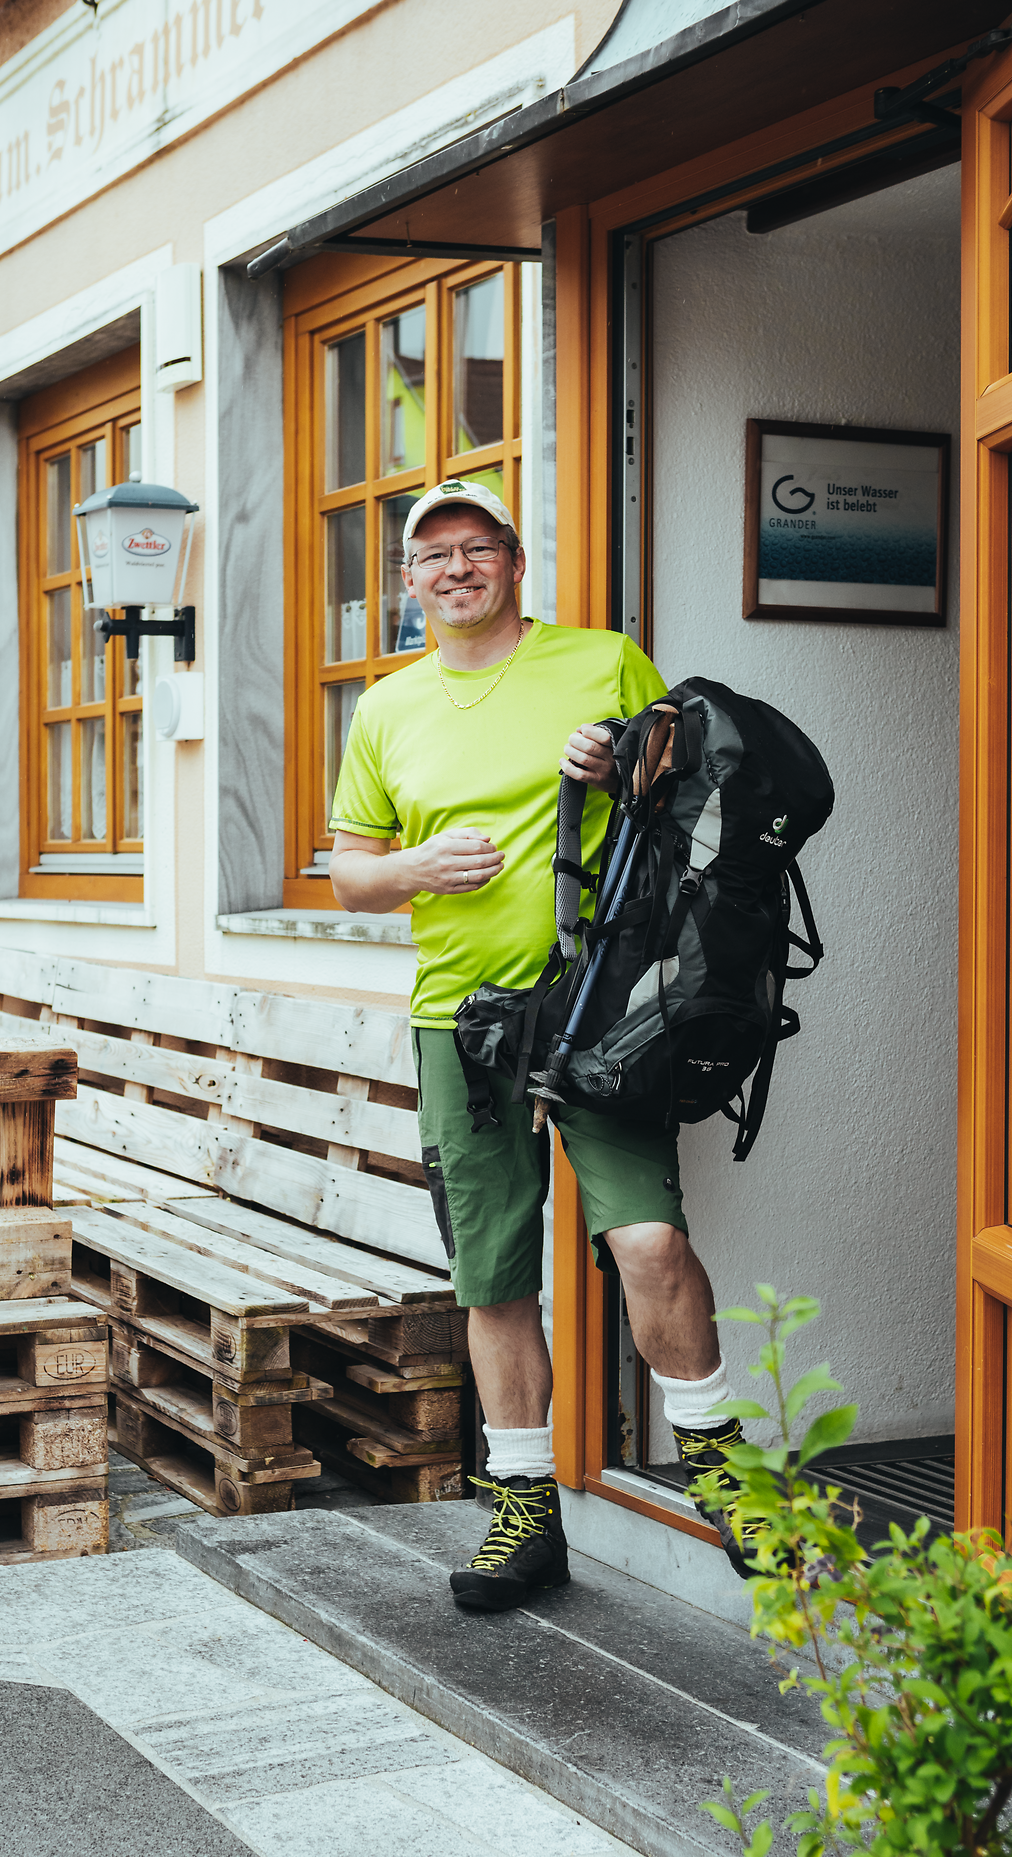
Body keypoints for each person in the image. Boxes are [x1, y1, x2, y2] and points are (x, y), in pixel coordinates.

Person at [328, 480, 759, 1611]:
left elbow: (698, 787)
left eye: (475, 547)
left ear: (515, 564)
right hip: (457, 1020)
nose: (454, 567)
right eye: (431, 556)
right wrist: (409, 870)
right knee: (494, 1274)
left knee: (649, 1240)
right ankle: (524, 1515)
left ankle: (722, 1465)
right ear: (407, 583)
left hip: (602, 1005)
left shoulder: (599, 659)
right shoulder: (384, 709)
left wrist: (624, 763)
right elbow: (348, 868)